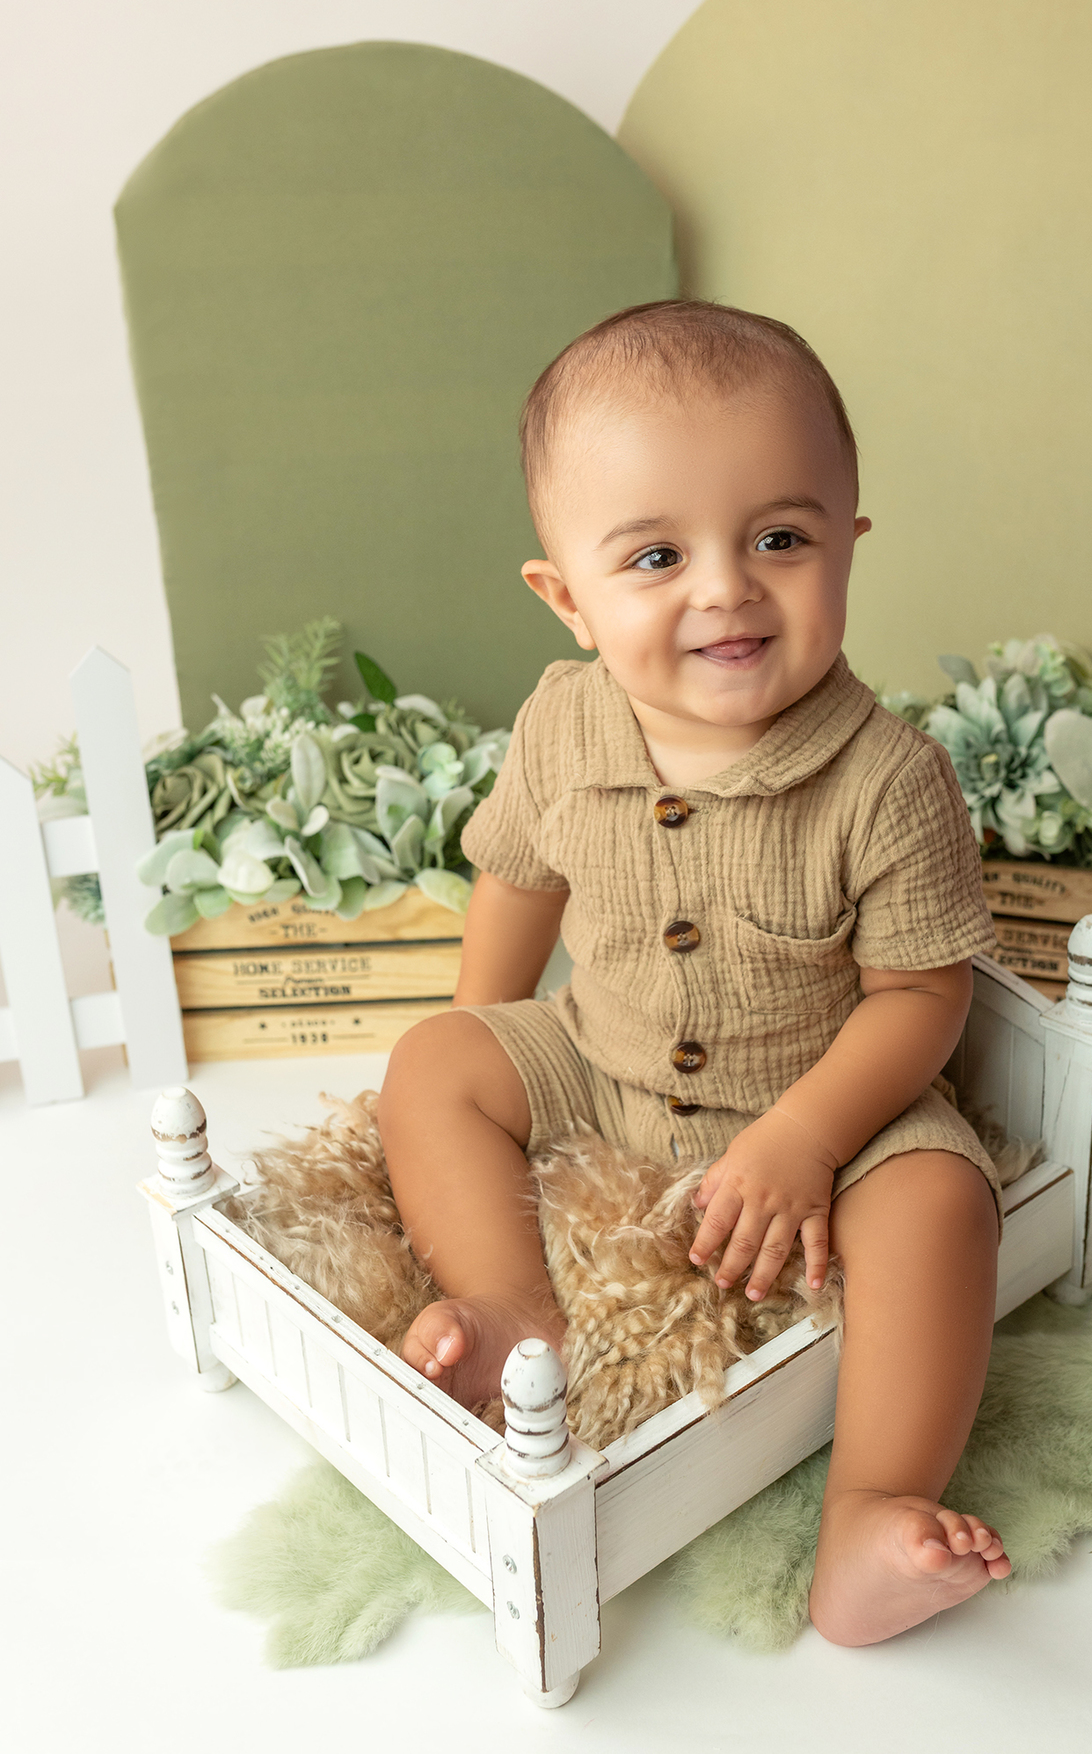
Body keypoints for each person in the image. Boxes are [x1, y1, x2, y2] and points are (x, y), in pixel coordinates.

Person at [376, 299, 1012, 1645]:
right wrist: (482, 1027)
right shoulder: (564, 719)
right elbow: (521, 879)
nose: (725, 587)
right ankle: (512, 1314)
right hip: (602, 1058)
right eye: (656, 554)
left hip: (832, 1107)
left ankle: (870, 1514)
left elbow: (921, 998)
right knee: (435, 1065)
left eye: (780, 537)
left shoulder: (892, 780)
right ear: (568, 597)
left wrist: (809, 1134)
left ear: (849, 543)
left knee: (946, 1206)